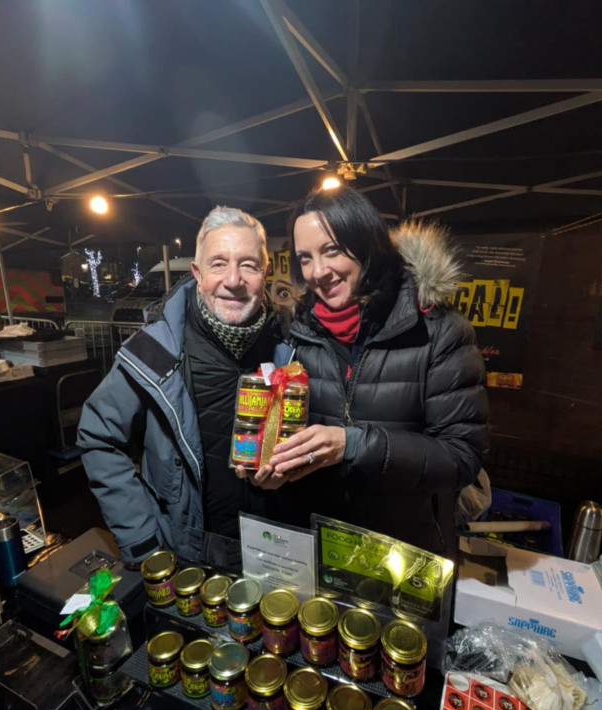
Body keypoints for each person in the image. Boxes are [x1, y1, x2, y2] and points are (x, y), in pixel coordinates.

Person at [248, 186, 489, 557]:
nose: (319, 272)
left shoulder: (438, 330)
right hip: (321, 544)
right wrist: (273, 467)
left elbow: (461, 456)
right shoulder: (298, 334)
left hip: (404, 552)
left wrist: (353, 444)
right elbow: (295, 440)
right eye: (305, 258)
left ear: (366, 243)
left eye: (331, 250)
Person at [78, 206, 290, 566]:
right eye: (218, 263)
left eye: (249, 265)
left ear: (266, 273)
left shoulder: (294, 346)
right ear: (197, 272)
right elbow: (98, 437)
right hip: (188, 553)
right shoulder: (153, 351)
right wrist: (142, 538)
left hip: (279, 549)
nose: (234, 279)